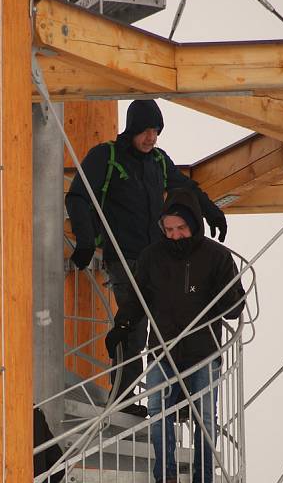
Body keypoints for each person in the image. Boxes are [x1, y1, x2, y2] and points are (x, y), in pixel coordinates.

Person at [66, 99, 227, 416]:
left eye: (156, 131)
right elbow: (78, 195)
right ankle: (123, 402)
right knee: (133, 327)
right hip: (124, 259)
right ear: (132, 129)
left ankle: (177, 401)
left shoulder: (158, 161)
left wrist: (211, 211)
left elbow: (186, 188)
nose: (151, 138)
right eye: (146, 131)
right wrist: (85, 240)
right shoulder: (108, 157)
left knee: (174, 325)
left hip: (159, 260)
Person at [105, 189, 245, 483]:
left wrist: (226, 300)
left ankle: (203, 482)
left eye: (180, 228)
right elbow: (137, 299)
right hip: (162, 350)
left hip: (203, 352)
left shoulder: (217, 257)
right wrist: (122, 325)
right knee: (159, 414)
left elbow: (235, 305)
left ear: (194, 224)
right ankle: (166, 480)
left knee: (204, 418)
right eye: (169, 230)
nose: (175, 235)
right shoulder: (153, 257)